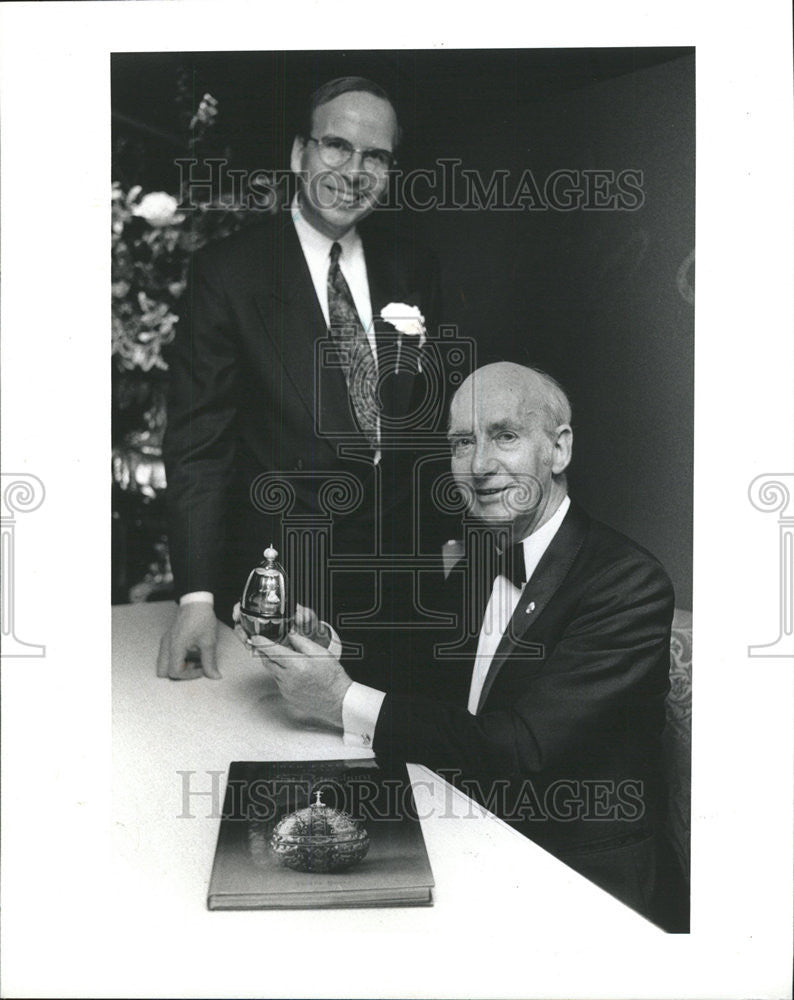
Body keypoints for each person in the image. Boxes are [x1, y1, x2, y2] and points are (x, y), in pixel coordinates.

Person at [247, 362, 680, 926]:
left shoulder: (629, 585)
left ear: (559, 449)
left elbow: (522, 753)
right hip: (469, 828)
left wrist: (340, 699)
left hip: (577, 881)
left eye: (505, 436)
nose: (478, 466)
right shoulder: (482, 554)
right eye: (461, 443)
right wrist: (324, 645)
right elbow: (423, 676)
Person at [157, 76, 442, 681]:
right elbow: (199, 444)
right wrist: (196, 597)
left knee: (395, 767)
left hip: (405, 599)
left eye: (377, 156)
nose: (354, 170)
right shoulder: (230, 273)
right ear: (298, 154)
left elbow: (431, 419)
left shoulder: (412, 264)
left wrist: (452, 541)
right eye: (336, 145)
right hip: (283, 596)